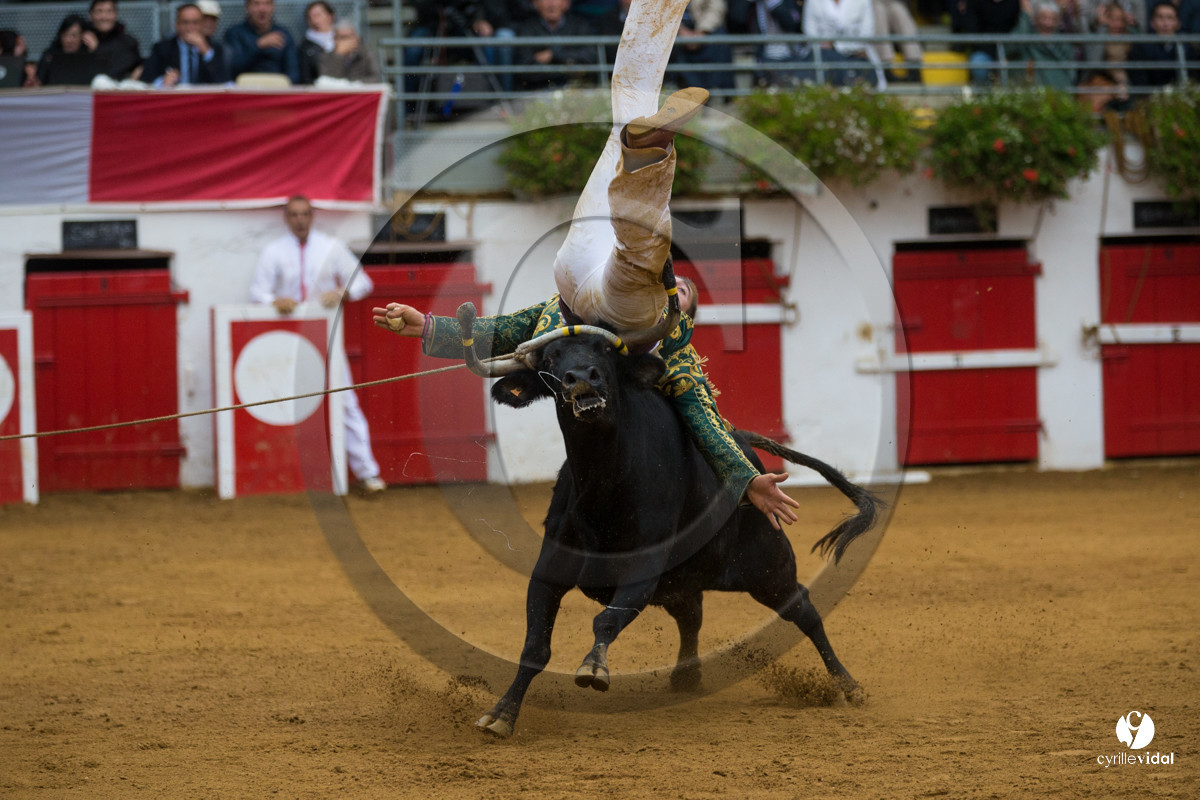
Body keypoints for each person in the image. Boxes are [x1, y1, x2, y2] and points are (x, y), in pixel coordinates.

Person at [374, 0, 802, 528]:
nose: (685, 290)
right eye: (686, 289)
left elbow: (705, 420)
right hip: (586, 275)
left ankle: (648, 153)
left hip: (589, 288)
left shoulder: (656, 335)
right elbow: (699, 413)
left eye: (685, 295)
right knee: (634, 205)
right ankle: (651, 38)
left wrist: (425, 326)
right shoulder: (655, 337)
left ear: (682, 315)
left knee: (643, 249)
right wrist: (429, 327)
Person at [250, 196, 387, 496]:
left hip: (326, 337)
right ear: (286, 218)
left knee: (345, 401)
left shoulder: (331, 247)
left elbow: (363, 283)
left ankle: (368, 473)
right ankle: (284, 475)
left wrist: (341, 292)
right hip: (286, 340)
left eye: (304, 214)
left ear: (312, 216)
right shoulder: (274, 251)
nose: (300, 220)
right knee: (281, 404)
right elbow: (257, 293)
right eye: (294, 215)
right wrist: (275, 301)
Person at [512, 0, 598, 90]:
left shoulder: (580, 26)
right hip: (537, 90)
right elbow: (525, 70)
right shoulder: (525, 29)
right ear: (535, 3)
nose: (552, 4)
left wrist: (554, 55)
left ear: (567, 3)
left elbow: (591, 57)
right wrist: (569, 67)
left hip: (576, 89)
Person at [803, 0, 888, 88]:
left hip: (856, 55)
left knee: (864, 74)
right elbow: (810, 34)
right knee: (828, 59)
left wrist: (835, 45)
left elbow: (866, 35)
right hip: (824, 56)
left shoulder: (863, 1)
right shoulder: (812, 2)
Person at [142, 3, 231, 86]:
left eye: (195, 23)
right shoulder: (162, 48)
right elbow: (145, 80)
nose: (190, 28)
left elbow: (225, 82)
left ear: (202, 25)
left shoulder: (215, 48)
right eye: (185, 23)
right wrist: (162, 82)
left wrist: (206, 52)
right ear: (177, 25)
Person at [726, 0, 806, 88]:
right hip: (765, 58)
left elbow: (791, 24)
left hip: (791, 57)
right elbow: (737, 18)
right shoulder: (756, 4)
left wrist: (773, 4)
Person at [223, 0, 300, 83]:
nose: (262, 9)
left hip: (277, 87)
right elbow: (233, 68)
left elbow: (293, 70)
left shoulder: (283, 33)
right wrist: (258, 45)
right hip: (246, 88)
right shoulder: (235, 33)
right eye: (256, 4)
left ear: (273, 7)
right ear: (247, 8)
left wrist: (286, 86)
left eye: (267, 3)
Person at [673, 0, 736, 91]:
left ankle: (717, 90)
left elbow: (716, 8)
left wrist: (701, 32)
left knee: (720, 38)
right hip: (674, 29)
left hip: (702, 26)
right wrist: (680, 30)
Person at [1013, 0, 1077, 89]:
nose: (1048, 23)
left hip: (1060, 92)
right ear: (1035, 19)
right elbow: (1012, 46)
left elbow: (1071, 70)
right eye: (1044, 18)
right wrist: (1025, 16)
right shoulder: (1027, 41)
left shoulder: (1062, 44)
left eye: (1053, 19)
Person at [957, 0, 1021, 84]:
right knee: (978, 63)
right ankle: (987, 90)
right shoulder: (974, 2)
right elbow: (972, 33)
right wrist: (998, 56)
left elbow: (1022, 31)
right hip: (985, 50)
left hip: (1012, 51)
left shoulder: (1016, 3)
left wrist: (1007, 53)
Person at [1129, 0, 1186, 87]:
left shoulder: (1187, 48)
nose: (1165, 23)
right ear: (1152, 22)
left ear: (1178, 23)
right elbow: (1139, 81)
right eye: (1160, 17)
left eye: (1170, 18)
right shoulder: (1140, 48)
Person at [34, 15, 102, 87]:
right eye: (65, 35)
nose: (68, 40)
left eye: (74, 35)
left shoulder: (89, 54)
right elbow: (39, 82)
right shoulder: (50, 56)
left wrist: (96, 51)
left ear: (83, 37)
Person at [84, 0, 142, 80]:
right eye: (99, 11)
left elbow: (117, 72)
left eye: (109, 11)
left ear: (116, 15)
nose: (104, 17)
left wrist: (97, 50)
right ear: (90, 15)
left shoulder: (128, 42)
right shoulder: (83, 39)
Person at [318, 21, 383, 82]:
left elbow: (376, 78)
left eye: (349, 37)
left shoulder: (367, 54)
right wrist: (338, 56)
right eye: (342, 38)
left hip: (359, 89)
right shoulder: (326, 57)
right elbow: (327, 80)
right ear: (335, 40)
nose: (346, 41)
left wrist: (353, 84)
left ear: (356, 38)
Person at [298, 0, 335, 84]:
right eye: (310, 17)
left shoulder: (345, 37)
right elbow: (305, 78)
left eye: (318, 15)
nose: (314, 20)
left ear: (330, 16)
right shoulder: (305, 47)